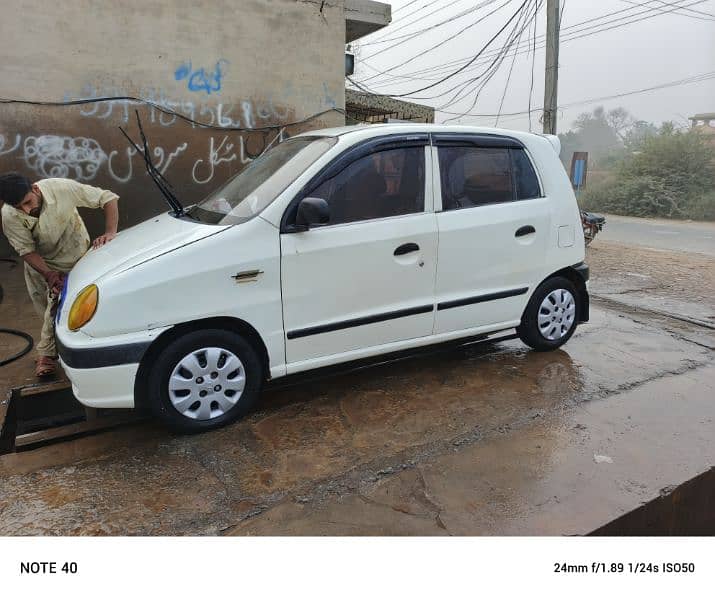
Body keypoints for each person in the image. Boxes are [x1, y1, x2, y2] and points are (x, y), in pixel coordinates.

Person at [0, 173, 120, 377]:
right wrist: (49, 274)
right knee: (51, 312)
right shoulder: (9, 215)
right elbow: (26, 250)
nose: (26, 210)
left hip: (76, 255)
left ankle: (46, 355)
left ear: (36, 189)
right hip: (41, 266)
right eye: (20, 207)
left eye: (28, 202)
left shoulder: (61, 188)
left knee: (69, 304)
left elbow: (108, 198)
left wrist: (110, 232)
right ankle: (55, 352)